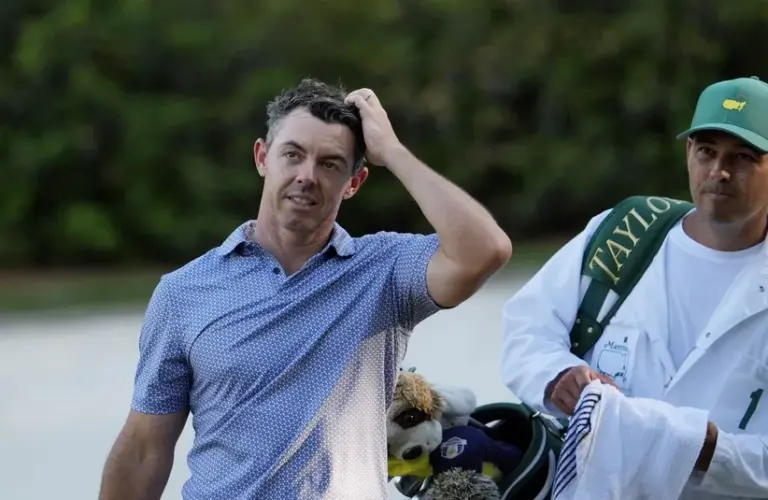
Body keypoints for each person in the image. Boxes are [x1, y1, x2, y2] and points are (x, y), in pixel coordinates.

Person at [98, 78, 512, 500]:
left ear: (354, 182)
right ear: (263, 157)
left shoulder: (383, 271)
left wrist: (392, 151)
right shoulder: (184, 293)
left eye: (330, 164)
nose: (307, 176)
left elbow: (486, 250)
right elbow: (144, 450)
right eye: (292, 155)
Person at [501, 75, 768, 499]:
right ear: (688, 152)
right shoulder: (626, 232)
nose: (719, 171)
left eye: (744, 157)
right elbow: (525, 330)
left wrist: (704, 450)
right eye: (707, 151)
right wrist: (557, 377)